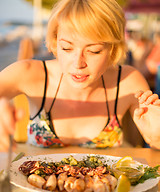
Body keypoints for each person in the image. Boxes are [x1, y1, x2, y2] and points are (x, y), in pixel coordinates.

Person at [0, 0, 160, 152]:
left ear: (112, 49)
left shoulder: (127, 81)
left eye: (94, 51)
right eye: (67, 48)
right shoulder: (29, 73)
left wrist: (156, 136)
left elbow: (154, 145)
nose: (78, 64)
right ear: (55, 42)